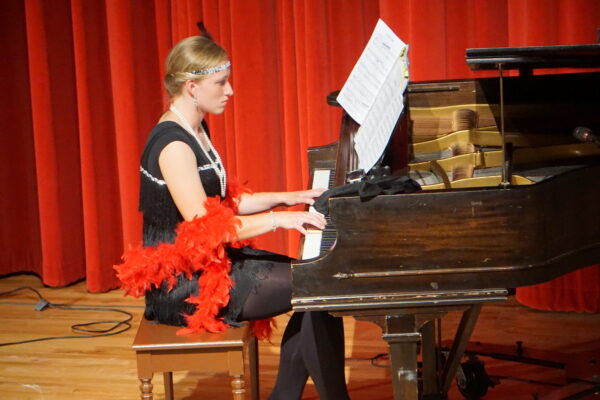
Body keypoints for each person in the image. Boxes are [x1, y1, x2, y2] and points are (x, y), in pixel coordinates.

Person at [114, 30, 351, 400]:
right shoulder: (174, 146)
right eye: (221, 83)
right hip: (183, 285)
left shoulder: (196, 128)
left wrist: (291, 198)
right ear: (192, 87)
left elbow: (224, 203)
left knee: (317, 286)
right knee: (317, 285)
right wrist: (281, 220)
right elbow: (207, 229)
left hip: (212, 263)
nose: (230, 91)